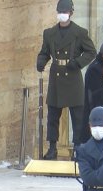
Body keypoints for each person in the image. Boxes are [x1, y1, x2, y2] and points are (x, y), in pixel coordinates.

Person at [36, 0, 97, 160]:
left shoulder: (79, 32)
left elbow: (91, 52)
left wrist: (77, 63)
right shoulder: (49, 33)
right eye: (60, 11)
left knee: (77, 117)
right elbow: (45, 52)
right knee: (53, 116)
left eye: (65, 11)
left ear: (71, 13)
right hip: (56, 75)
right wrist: (41, 60)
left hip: (73, 75)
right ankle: (52, 147)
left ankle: (77, 147)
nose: (62, 14)